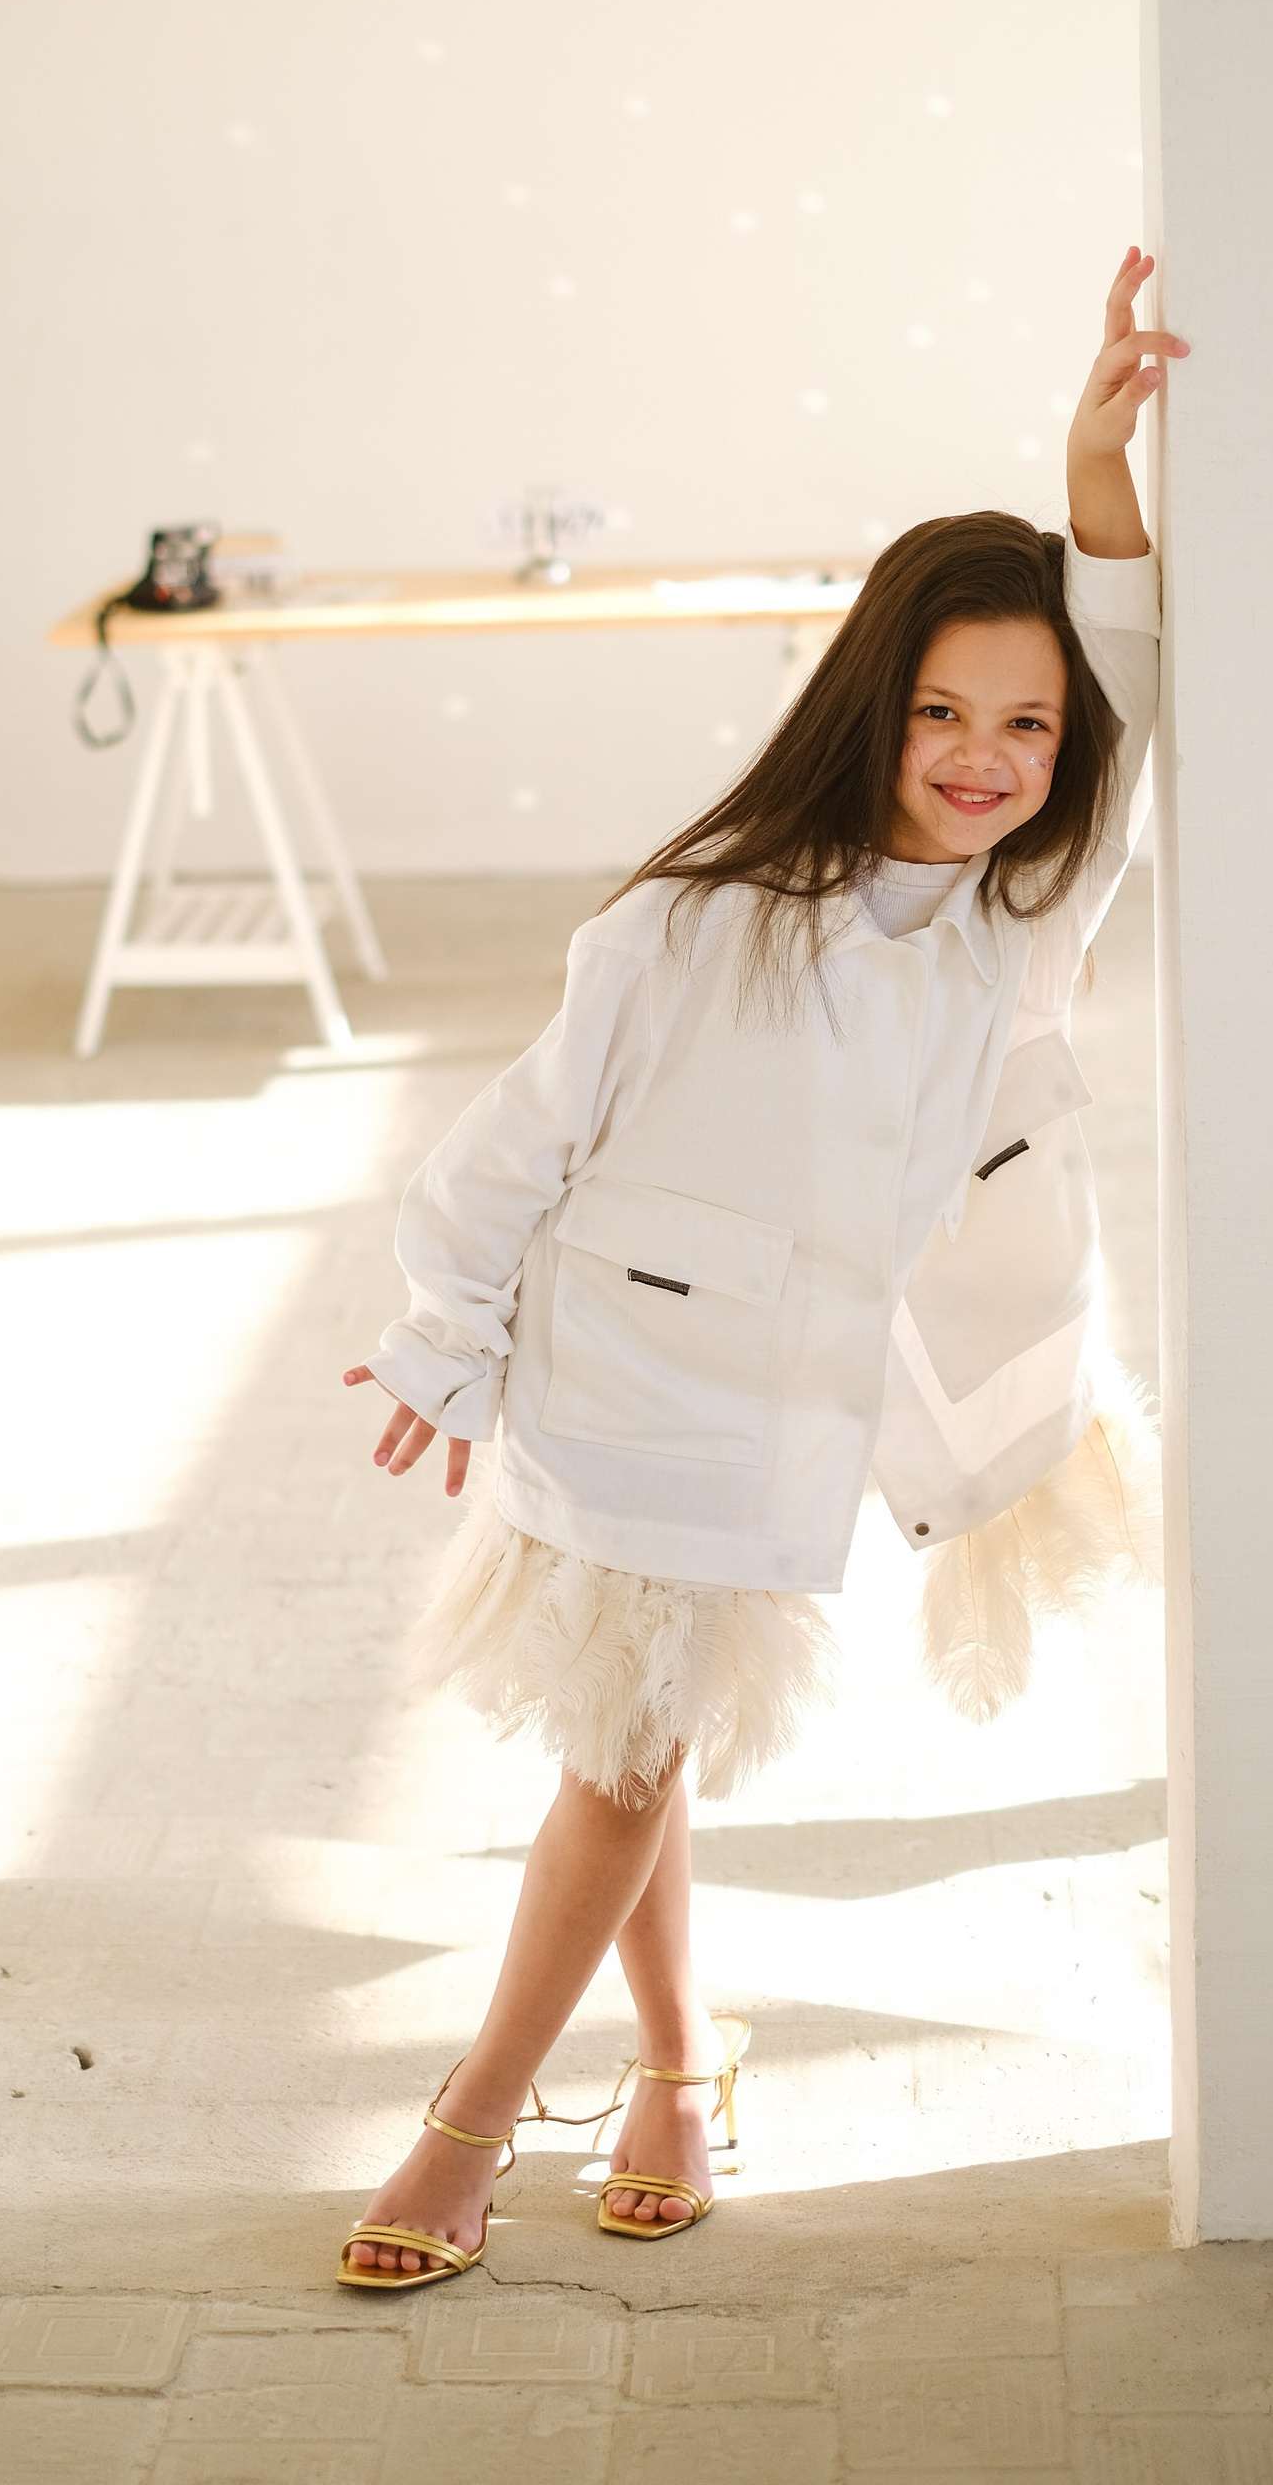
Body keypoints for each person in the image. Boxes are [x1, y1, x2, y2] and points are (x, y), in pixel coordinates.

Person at [337, 250, 1187, 2288]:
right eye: (941, 711)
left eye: (1025, 725)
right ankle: (478, 2117)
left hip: (832, 1389)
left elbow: (1137, 680)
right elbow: (516, 1141)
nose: (983, 756)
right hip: (632, 1382)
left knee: (633, 1741)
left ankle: (672, 2062)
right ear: (866, 705)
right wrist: (440, 1343)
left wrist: (1093, 472)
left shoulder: (1024, 921)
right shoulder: (690, 921)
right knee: (630, 1754)